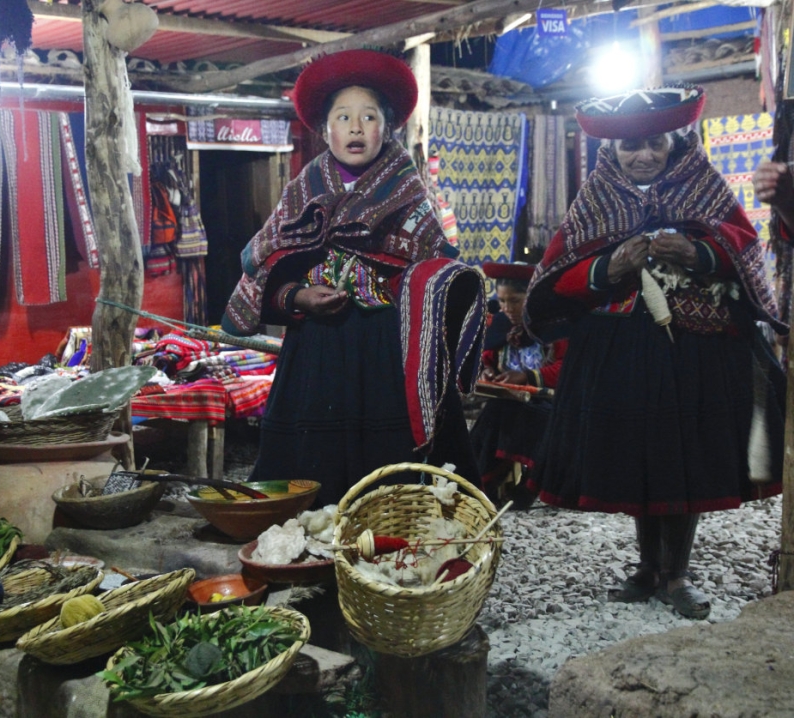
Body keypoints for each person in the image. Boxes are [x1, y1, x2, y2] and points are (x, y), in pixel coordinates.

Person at [523, 86, 786, 620]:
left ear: (676, 142)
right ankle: (648, 567)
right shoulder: (595, 199)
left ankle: (678, 572)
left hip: (695, 348)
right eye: (631, 147)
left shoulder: (704, 187)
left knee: (683, 453)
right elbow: (556, 273)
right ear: (612, 151)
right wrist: (608, 269)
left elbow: (744, 249)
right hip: (620, 349)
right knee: (641, 453)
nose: (643, 155)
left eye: (655, 143)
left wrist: (700, 253)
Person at [221, 50, 486, 507]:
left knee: (390, 479)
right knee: (310, 481)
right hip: (316, 353)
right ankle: (309, 563)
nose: (357, 127)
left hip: (388, 353)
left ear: (389, 128)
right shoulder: (301, 193)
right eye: (343, 117)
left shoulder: (410, 196)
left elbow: (438, 274)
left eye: (369, 116)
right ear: (326, 131)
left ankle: (386, 558)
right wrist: (298, 297)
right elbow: (266, 271)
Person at [469, 262, 567, 508]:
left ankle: (530, 485)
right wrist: (487, 372)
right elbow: (487, 358)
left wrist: (526, 376)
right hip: (512, 402)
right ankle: (482, 482)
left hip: (551, 404)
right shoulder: (502, 326)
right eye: (502, 301)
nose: (507, 308)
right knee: (495, 412)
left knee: (524, 416)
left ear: (531, 297)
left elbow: (568, 367)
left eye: (514, 301)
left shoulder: (554, 326)